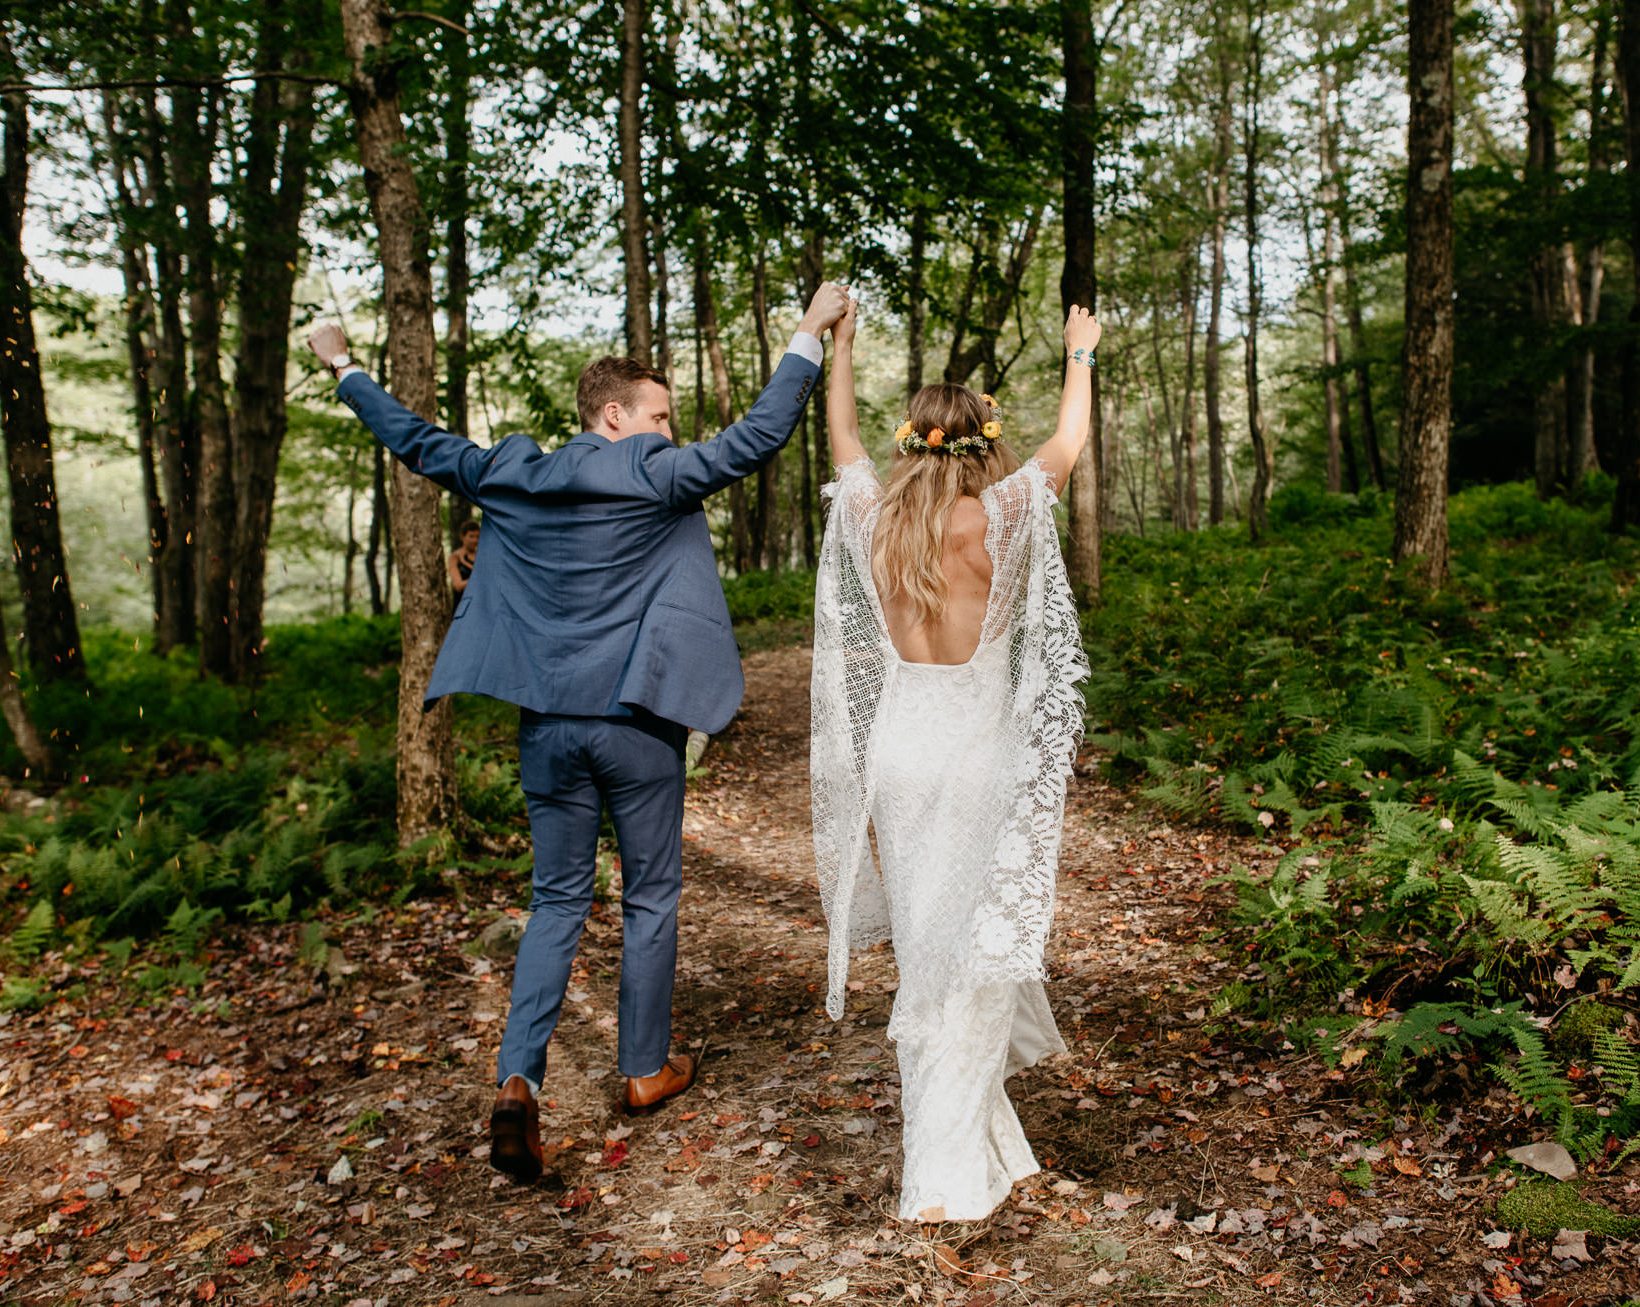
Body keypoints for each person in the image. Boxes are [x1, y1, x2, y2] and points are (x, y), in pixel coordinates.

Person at [306, 280, 852, 1182]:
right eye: (661, 415)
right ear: (613, 415)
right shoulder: (651, 472)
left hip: (545, 728)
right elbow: (757, 438)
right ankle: (643, 1070)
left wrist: (344, 366)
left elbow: (413, 439)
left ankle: (518, 1079)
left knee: (556, 899)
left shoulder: (509, 472)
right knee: (650, 894)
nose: (672, 431)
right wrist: (805, 333)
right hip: (637, 724)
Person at [810, 297, 1099, 1222]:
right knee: (969, 961)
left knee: (928, 956)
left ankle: (989, 1143)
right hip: (976, 756)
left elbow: (841, 437)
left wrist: (840, 345)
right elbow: (1069, 437)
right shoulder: (1005, 515)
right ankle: (939, 1181)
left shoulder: (872, 520)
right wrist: (1080, 354)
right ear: (981, 444)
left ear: (914, 445)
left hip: (901, 754)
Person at [447, 519, 480, 595]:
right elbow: (458, 585)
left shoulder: (481, 556)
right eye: (471, 536)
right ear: (462, 537)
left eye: (477, 537)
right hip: (462, 601)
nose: (475, 540)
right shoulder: (455, 557)